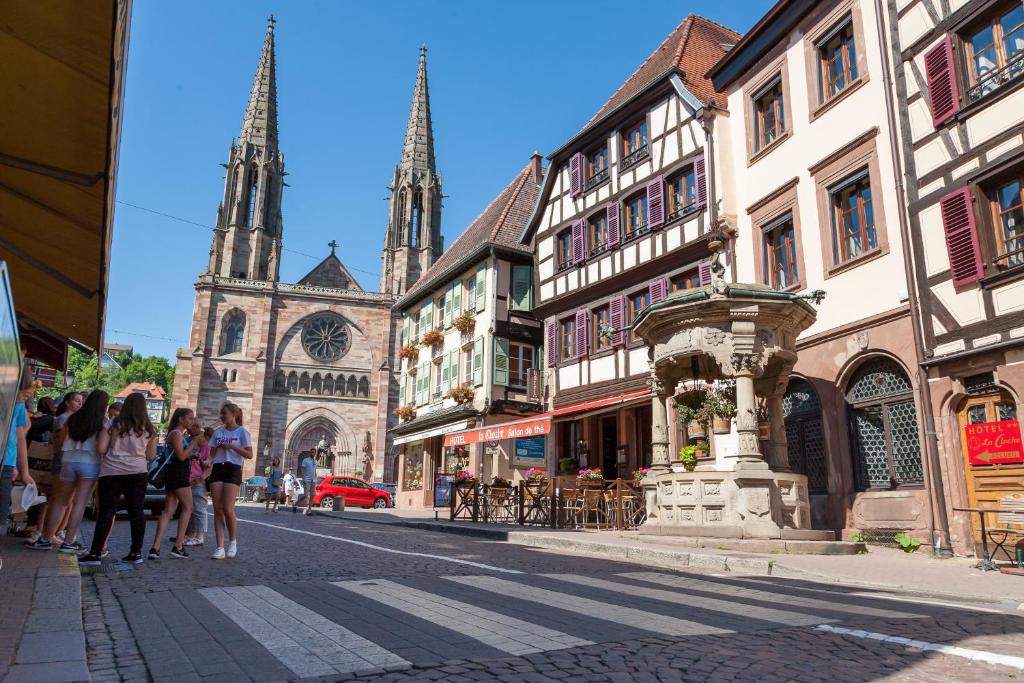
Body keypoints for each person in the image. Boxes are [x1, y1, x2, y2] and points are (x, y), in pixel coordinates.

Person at [79, 393, 158, 565]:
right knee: (136, 512)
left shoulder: (113, 424)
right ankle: (135, 552)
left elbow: (100, 448)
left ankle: (95, 553)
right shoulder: (150, 429)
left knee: (106, 513)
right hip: (137, 472)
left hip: (111, 472)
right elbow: (151, 455)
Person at [28, 391, 109, 552]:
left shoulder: (72, 418)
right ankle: (69, 541)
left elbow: (61, 440)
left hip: (69, 460)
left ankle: (45, 538)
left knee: (59, 501)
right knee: (79, 503)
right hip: (90, 463)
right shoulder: (103, 422)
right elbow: (101, 447)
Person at [148, 408, 205, 559]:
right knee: (188, 508)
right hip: (178, 474)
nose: (192, 421)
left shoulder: (179, 434)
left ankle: (156, 547)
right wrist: (194, 443)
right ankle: (178, 545)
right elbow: (181, 456)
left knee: (168, 511)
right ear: (181, 419)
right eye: (190, 418)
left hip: (174, 474)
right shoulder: (176, 434)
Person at [209, 402, 253, 559]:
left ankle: (233, 541)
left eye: (224, 413)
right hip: (217, 468)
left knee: (228, 508)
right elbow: (211, 454)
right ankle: (219, 547)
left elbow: (249, 455)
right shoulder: (217, 433)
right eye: (221, 413)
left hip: (232, 468)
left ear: (233, 415)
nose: (222, 416)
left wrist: (232, 447)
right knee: (217, 509)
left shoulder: (242, 432)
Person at [2, 367, 37, 547]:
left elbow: (20, 436)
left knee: (2, 514)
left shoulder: (19, 404)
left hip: (7, 462)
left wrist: (24, 471)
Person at [184, 426, 213, 547]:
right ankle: (191, 535)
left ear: (205, 437)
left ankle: (200, 537)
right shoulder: (200, 447)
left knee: (200, 509)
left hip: (198, 481)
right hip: (192, 479)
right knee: (192, 509)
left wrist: (202, 478)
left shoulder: (208, 448)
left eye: (199, 436)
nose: (196, 439)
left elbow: (210, 465)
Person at [300, 451, 316, 516]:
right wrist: (303, 478)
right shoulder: (305, 460)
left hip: (313, 480)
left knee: (312, 495)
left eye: (314, 452)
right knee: (306, 495)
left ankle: (309, 510)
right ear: (310, 453)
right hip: (307, 479)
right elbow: (302, 469)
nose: (313, 453)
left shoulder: (315, 461)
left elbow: (315, 470)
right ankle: (296, 503)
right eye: (312, 452)